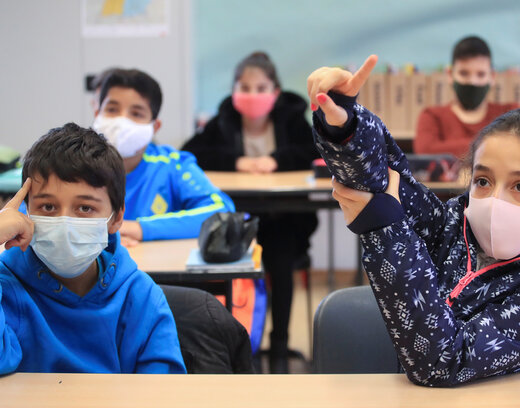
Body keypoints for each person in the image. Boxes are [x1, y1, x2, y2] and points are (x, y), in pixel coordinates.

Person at [306, 55, 520, 386]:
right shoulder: (455, 222)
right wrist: (344, 126)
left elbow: (444, 363)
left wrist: (385, 232)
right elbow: (388, 179)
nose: (495, 200)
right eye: (483, 181)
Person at [0, 123, 186, 374]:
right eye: (47, 207)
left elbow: (162, 393)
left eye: (85, 208)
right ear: (25, 211)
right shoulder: (7, 286)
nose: (64, 223)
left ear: (117, 217)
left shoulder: (140, 298)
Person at [182, 52, 318, 373]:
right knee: (233, 269)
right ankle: (243, 345)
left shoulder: (291, 118)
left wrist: (278, 160)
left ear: (275, 91)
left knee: (281, 263)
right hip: (238, 220)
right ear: (233, 89)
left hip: (285, 220)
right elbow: (191, 152)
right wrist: (235, 162)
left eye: (261, 87)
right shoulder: (224, 120)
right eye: (244, 86)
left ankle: (280, 344)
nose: (252, 94)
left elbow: (315, 149)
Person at [92, 68, 235, 247]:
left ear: (155, 126)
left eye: (136, 114)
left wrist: (139, 229)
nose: (122, 121)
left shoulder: (172, 165)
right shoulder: (74, 165)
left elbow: (221, 211)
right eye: (112, 109)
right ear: (97, 113)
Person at [413, 36, 519, 157]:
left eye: (481, 74)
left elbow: (519, 148)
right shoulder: (432, 116)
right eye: (464, 73)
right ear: (450, 75)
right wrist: (493, 145)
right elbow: (425, 150)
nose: (472, 81)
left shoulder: (509, 113)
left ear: (492, 76)